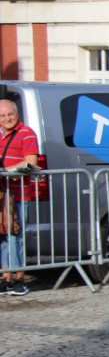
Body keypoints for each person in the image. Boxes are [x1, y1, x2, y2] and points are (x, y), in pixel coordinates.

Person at [0, 99, 38, 296]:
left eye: (10, 114)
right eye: (2, 116)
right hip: (2, 196)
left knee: (16, 237)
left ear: (17, 114)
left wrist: (5, 171)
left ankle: (20, 279)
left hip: (19, 195)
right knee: (3, 238)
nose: (7, 119)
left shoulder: (27, 133)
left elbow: (31, 163)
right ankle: (7, 278)